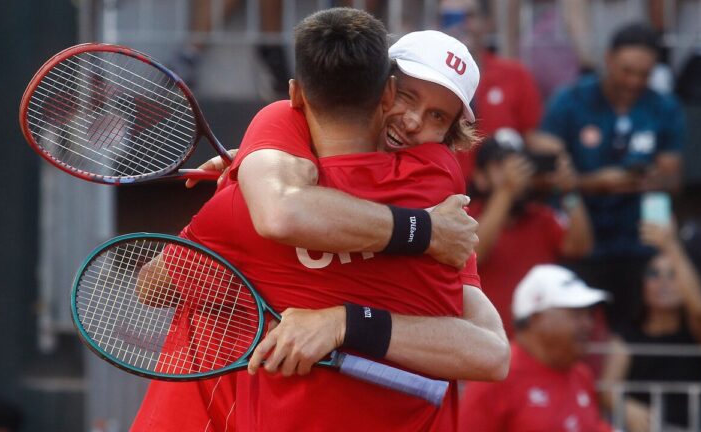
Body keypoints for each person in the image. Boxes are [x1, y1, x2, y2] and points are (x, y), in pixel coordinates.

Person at [133, 10, 509, 431]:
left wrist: (342, 322)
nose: (414, 121)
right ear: (383, 90)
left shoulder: (264, 159)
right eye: (408, 96)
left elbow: (153, 284)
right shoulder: (438, 207)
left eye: (438, 117)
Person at [540, 22, 686, 328]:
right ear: (608, 59)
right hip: (580, 239)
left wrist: (644, 179)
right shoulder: (571, 100)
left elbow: (673, 180)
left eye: (644, 74)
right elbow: (546, 172)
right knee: (579, 327)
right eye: (627, 70)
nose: (634, 81)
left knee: (633, 330)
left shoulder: (664, 107)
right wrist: (596, 183)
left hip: (638, 242)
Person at [468, 129, 593, 337]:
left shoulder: (542, 217)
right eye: (500, 165)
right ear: (480, 178)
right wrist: (506, 192)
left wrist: (570, 193)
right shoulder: (467, 214)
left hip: (537, 347)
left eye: (519, 162)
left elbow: (580, 247)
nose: (514, 172)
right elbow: (473, 255)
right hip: (484, 342)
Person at [459, 264, 611, 431]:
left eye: (588, 314)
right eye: (576, 314)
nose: (588, 324)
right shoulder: (495, 377)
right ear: (536, 318)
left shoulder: (582, 375)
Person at [600, 219, 701, 431]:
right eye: (653, 274)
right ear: (642, 285)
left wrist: (671, 246)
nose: (663, 282)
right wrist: (627, 407)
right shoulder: (628, 333)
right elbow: (607, 386)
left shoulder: (697, 334)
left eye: (672, 275)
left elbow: (700, 311)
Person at [438, 0, 544, 180]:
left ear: (487, 22)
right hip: (443, 197)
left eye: (468, 16)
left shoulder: (516, 75)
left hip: (506, 196)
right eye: (450, 18)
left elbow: (532, 141)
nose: (459, 25)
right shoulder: (424, 82)